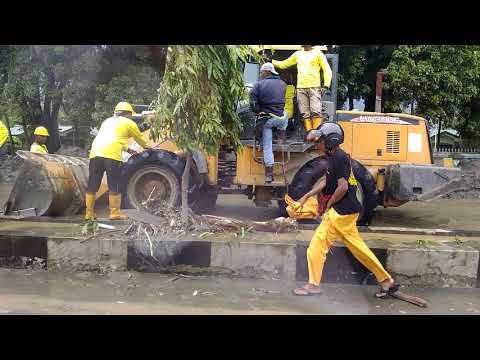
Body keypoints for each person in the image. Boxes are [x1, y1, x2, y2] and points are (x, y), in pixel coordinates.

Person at [292, 122, 399, 297]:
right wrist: (307, 195)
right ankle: (387, 281)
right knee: (359, 249)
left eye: (320, 141)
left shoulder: (339, 158)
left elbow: (342, 187)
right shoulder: (334, 157)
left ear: (331, 142)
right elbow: (326, 181)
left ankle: (313, 285)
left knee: (316, 247)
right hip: (347, 211)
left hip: (341, 212)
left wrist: (328, 204)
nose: (317, 145)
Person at [85, 101, 151, 221]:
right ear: (128, 113)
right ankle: (114, 213)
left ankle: (89, 214)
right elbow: (141, 140)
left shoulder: (107, 121)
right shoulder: (129, 123)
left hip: (95, 154)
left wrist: (128, 149)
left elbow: (113, 138)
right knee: (114, 184)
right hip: (112, 156)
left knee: (93, 184)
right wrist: (148, 148)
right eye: (131, 115)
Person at [272, 45, 332, 133]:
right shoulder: (298, 54)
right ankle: (309, 133)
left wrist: (326, 85)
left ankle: (315, 134)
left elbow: (327, 69)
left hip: (314, 87)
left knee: (315, 111)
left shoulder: (318, 53)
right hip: (300, 88)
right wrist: (271, 61)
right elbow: (283, 64)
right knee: (304, 113)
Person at [249, 62, 288, 183]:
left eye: (261, 72)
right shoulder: (283, 84)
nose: (260, 74)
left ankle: (269, 174)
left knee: (267, 146)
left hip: (266, 121)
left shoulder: (258, 85)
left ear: (267, 72)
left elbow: (253, 104)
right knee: (285, 114)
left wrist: (257, 112)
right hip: (280, 119)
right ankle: (282, 137)